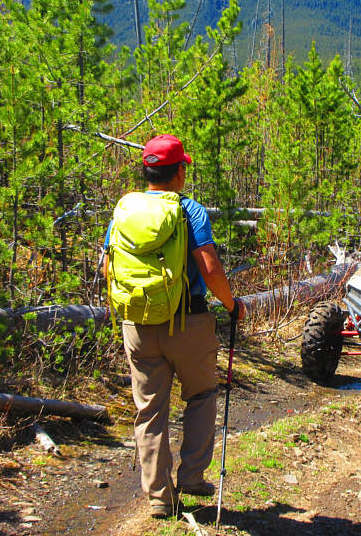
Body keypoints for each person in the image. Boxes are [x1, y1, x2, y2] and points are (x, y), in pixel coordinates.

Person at [102, 134, 245, 519]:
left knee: (149, 410)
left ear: (147, 171)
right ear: (179, 172)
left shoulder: (124, 211)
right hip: (188, 321)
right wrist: (233, 306)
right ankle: (192, 476)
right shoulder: (189, 211)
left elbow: (107, 267)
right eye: (184, 167)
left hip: (137, 323)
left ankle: (159, 499)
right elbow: (210, 268)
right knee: (201, 395)